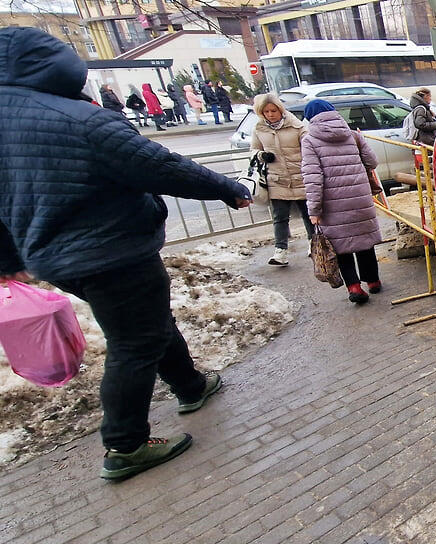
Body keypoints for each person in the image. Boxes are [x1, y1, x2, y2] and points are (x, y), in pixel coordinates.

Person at [0, 27, 253, 481]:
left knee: (147, 324)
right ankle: (125, 444)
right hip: (111, 250)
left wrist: (5, 262)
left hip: (55, 256)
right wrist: (230, 190)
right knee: (134, 342)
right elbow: (160, 165)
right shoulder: (78, 119)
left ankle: (190, 384)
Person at [300, 99, 383, 304]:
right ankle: (373, 281)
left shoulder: (310, 141)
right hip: (359, 197)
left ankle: (354, 287)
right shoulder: (353, 135)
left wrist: (314, 209)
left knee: (341, 247)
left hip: (332, 203)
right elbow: (372, 162)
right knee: (364, 241)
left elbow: (313, 178)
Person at [250, 93, 313, 266]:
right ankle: (280, 251)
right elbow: (253, 150)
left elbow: (309, 148)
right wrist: (262, 155)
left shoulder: (297, 126)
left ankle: (313, 244)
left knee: (308, 214)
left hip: (300, 176)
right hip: (276, 179)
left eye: (273, 110)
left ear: (280, 110)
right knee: (280, 217)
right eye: (266, 111)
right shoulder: (259, 129)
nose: (270, 114)